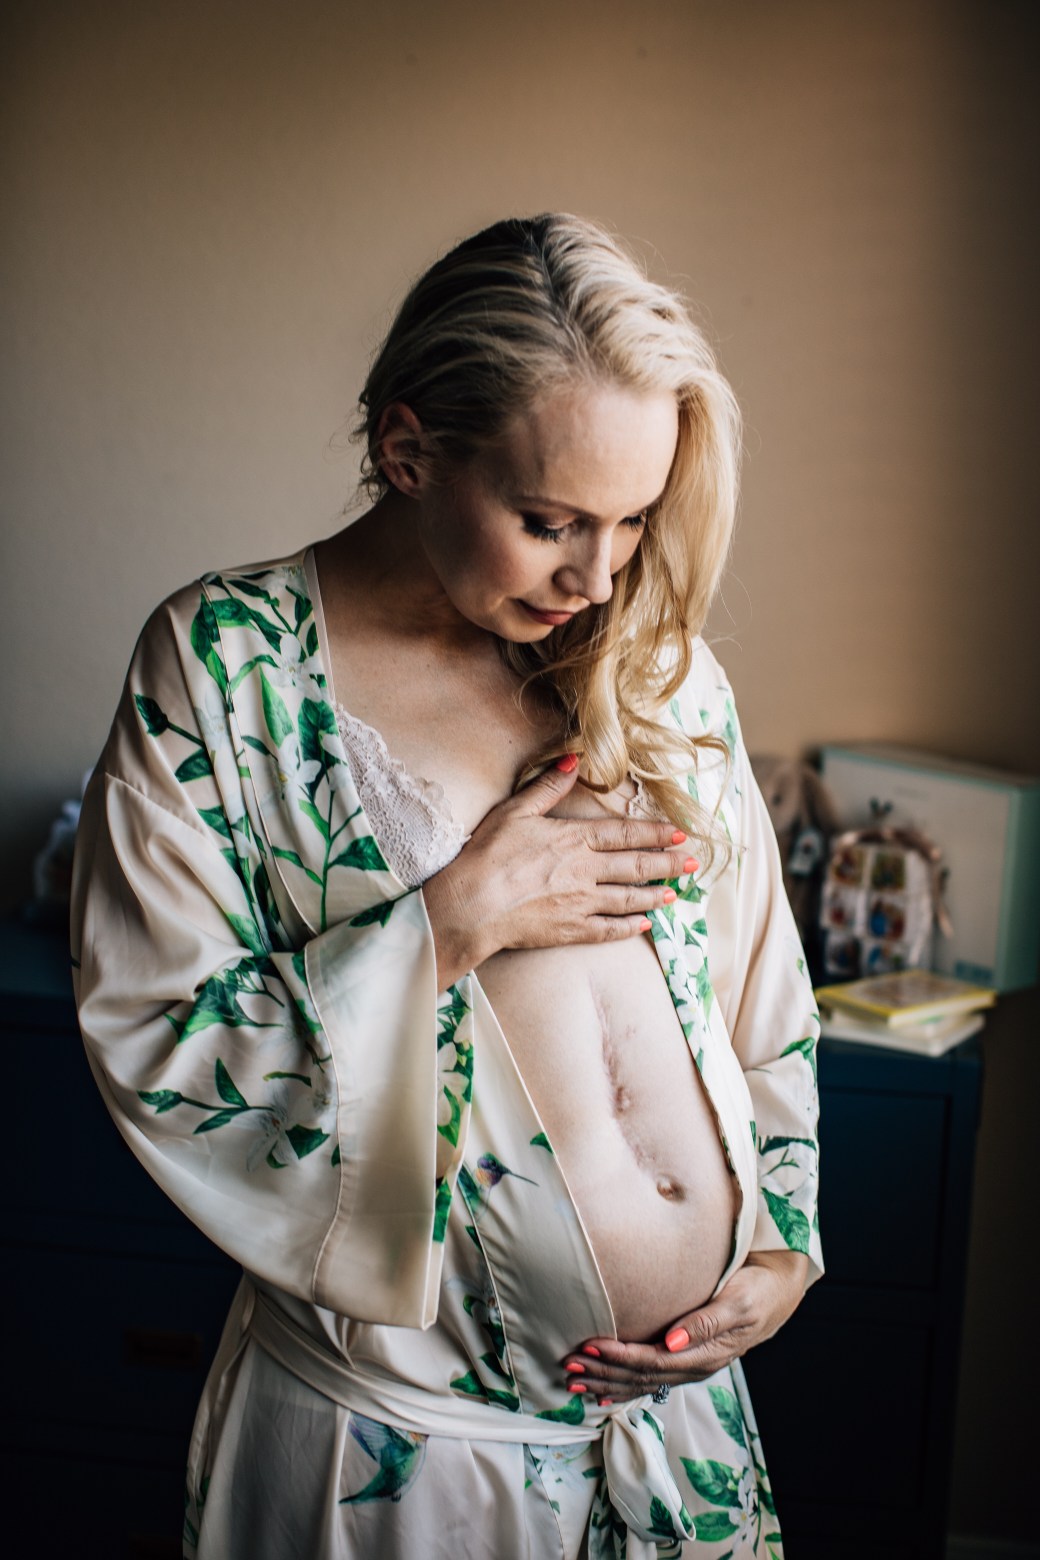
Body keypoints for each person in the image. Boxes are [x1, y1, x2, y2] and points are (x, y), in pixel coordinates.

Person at [71, 214, 822, 1560]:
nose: (598, 576)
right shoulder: (226, 668)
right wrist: (448, 924)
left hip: (679, 1440)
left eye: (633, 522)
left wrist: (780, 1250)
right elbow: (160, 1041)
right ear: (410, 451)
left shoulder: (654, 663)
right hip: (397, 1459)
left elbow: (763, 995)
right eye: (549, 522)